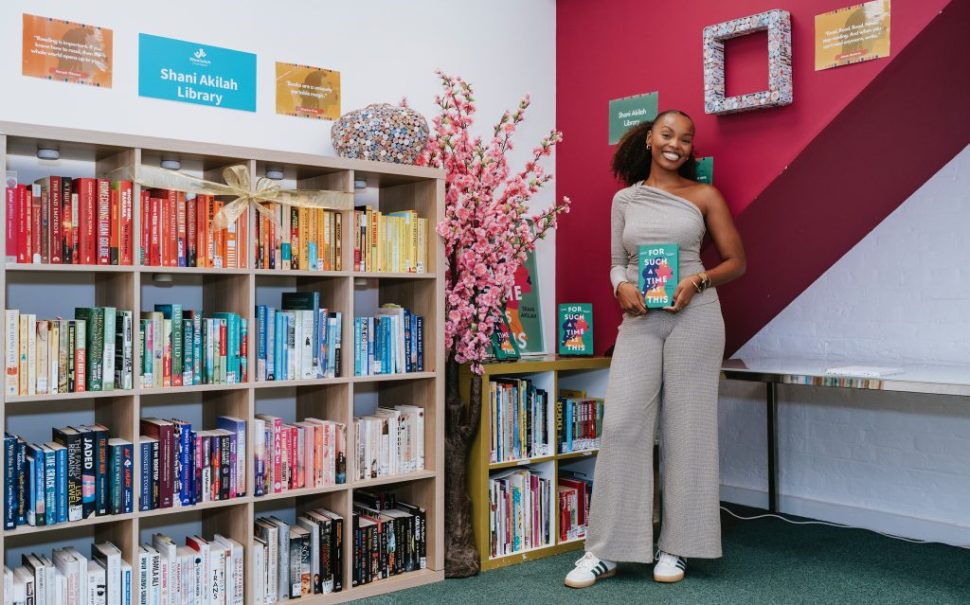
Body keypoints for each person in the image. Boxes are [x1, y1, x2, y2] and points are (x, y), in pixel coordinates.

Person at [565, 110, 746, 588]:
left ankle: (678, 546)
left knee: (687, 429)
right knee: (623, 424)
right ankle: (607, 550)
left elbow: (736, 261)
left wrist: (698, 279)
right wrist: (620, 285)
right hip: (641, 318)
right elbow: (614, 261)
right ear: (649, 138)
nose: (677, 144)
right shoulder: (625, 199)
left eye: (686, 139)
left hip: (697, 316)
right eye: (668, 134)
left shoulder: (704, 195)